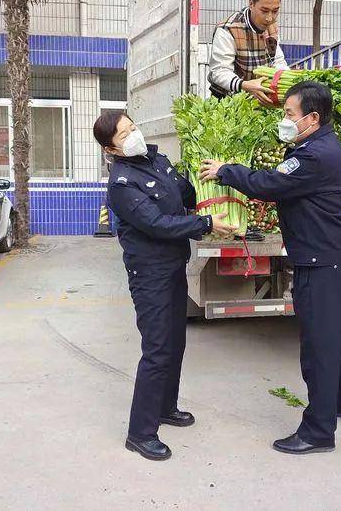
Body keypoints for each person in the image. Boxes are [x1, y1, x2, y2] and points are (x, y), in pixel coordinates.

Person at [200, 81, 341, 455]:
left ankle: (318, 432)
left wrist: (227, 170)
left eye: (289, 114)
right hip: (333, 262)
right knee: (338, 341)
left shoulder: (313, 155)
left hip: (321, 266)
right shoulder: (321, 146)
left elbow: (269, 184)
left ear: (312, 117)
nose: (285, 120)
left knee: (319, 350)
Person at [93, 111, 235, 461]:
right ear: (111, 147)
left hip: (173, 266)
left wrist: (211, 178)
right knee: (157, 348)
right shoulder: (122, 184)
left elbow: (184, 193)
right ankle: (140, 433)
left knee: (175, 341)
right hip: (149, 274)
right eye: (124, 134)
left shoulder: (157, 159)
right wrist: (205, 223)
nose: (133, 135)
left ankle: (166, 407)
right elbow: (157, 224)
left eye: (133, 127)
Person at [208, 0, 288, 105]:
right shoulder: (228, 29)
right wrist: (245, 85)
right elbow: (219, 71)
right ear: (251, 3)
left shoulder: (272, 27)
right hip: (226, 101)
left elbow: (277, 61)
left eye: (275, 11)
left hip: (257, 100)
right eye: (264, 11)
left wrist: (287, 78)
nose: (269, 18)